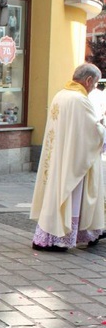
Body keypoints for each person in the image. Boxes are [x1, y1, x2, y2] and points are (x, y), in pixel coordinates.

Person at [31, 63, 106, 251]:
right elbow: (92, 131)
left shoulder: (60, 95)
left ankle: (53, 236)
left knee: (57, 196)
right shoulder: (79, 100)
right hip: (72, 159)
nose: (94, 88)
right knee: (71, 196)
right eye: (95, 84)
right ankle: (59, 238)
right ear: (88, 80)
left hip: (58, 157)